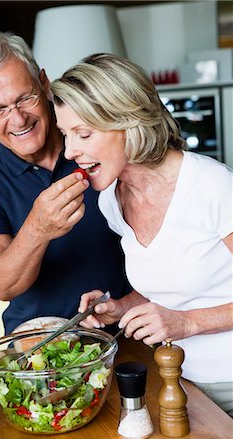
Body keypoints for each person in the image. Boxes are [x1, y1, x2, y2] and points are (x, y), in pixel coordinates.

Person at [51, 53, 233, 416]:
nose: (70, 151)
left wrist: (187, 322)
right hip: (175, 380)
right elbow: (162, 288)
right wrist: (119, 308)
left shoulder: (212, 185)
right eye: (65, 134)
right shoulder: (111, 201)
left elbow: (182, 312)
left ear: (128, 122)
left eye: (83, 133)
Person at [0, 33, 131, 335]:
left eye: (25, 98)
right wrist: (38, 228)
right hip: (39, 346)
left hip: (126, 328)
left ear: (44, 84)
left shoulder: (94, 134)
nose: (18, 119)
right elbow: (1, 285)